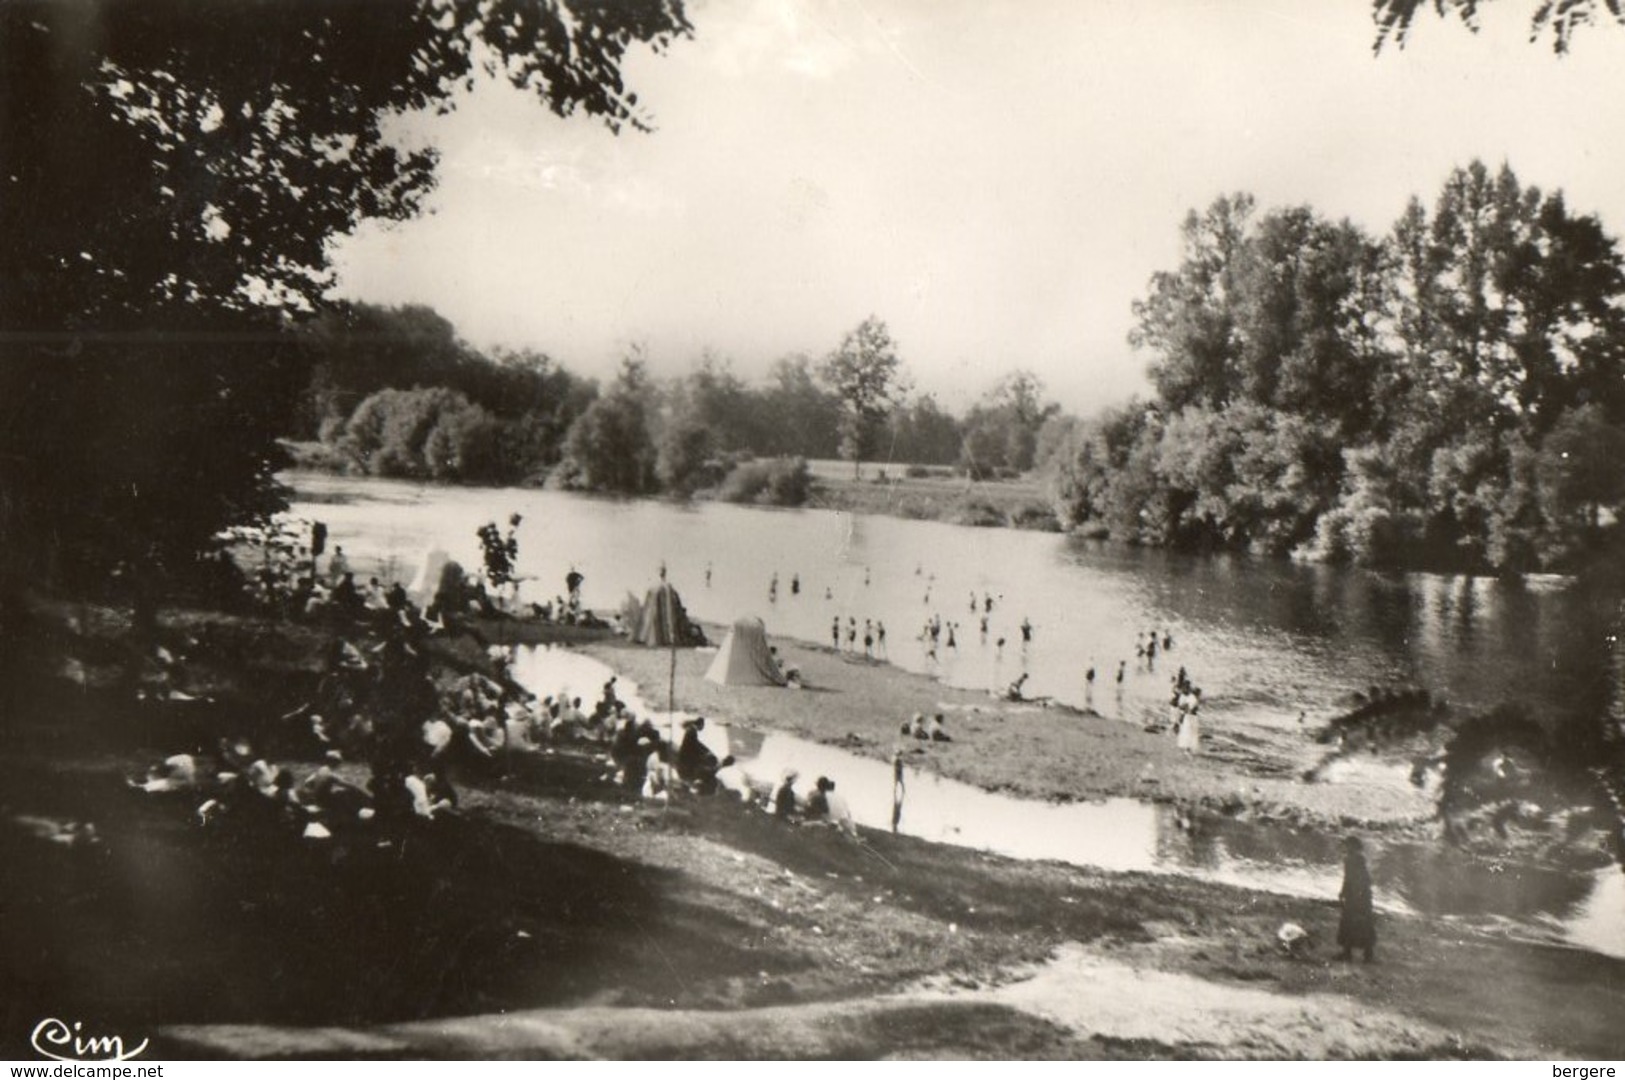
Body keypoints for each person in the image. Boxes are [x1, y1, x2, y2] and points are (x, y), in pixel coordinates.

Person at [1337, 836, 1376, 962]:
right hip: (1364, 894)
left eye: (1347, 845)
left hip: (1355, 895)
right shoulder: (1361, 859)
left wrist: (1344, 893)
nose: (1345, 848)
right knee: (1365, 923)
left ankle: (1347, 953)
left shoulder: (1349, 859)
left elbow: (1348, 879)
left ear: (1352, 846)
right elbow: (1367, 879)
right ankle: (1367, 954)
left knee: (1348, 922)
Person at [891, 749, 906, 833]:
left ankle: (898, 793)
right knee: (899, 782)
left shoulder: (897, 761)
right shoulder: (898, 761)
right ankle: (901, 792)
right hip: (898, 773)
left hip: (898, 773)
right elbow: (898, 768)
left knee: (898, 782)